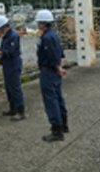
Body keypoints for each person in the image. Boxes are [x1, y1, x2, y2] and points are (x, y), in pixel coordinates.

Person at [35, 9, 69, 142]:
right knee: (58, 97)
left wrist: (58, 68)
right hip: (54, 71)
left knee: (51, 100)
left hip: (48, 71)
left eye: (39, 22)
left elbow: (52, 56)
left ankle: (56, 130)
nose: (37, 24)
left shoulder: (46, 37)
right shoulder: (54, 35)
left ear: (43, 23)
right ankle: (64, 124)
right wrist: (60, 67)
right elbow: (60, 53)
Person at [0, 15, 25, 121]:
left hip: (13, 63)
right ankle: (12, 108)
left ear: (3, 27)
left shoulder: (13, 36)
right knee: (9, 87)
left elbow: (10, 51)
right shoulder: (7, 35)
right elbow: (5, 48)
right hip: (7, 64)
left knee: (15, 87)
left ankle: (20, 110)